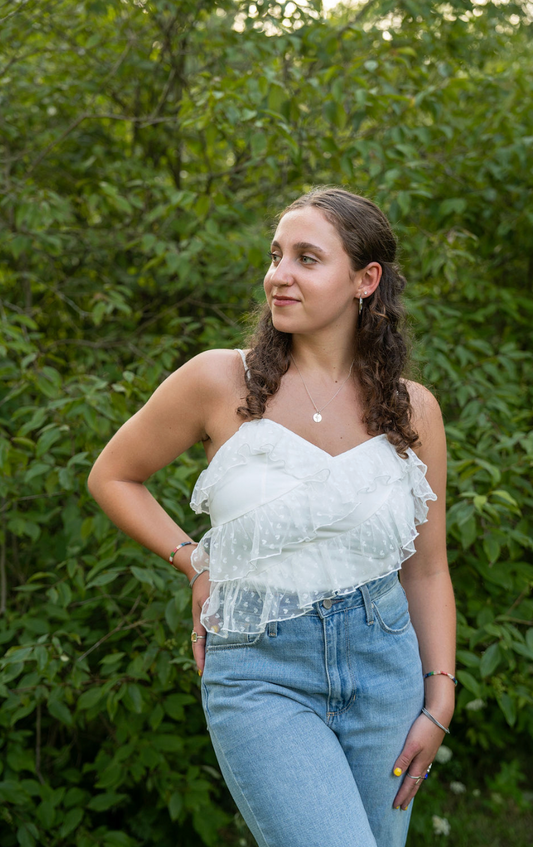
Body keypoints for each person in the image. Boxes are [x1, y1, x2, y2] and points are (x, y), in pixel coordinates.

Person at [88, 187, 456, 847]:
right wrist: (196, 561)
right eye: (275, 254)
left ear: (363, 280)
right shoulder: (217, 381)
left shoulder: (413, 410)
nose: (276, 274)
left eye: (305, 257)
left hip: (384, 667)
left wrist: (438, 695)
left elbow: (426, 570)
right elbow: (113, 475)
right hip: (261, 671)